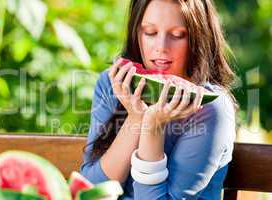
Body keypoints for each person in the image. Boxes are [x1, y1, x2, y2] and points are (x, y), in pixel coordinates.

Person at [80, 0, 237, 199]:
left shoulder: (210, 108)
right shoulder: (113, 83)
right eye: (150, 32)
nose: (161, 47)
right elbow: (90, 190)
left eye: (178, 35)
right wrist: (135, 118)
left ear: (199, 37)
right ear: (136, 34)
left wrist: (152, 128)